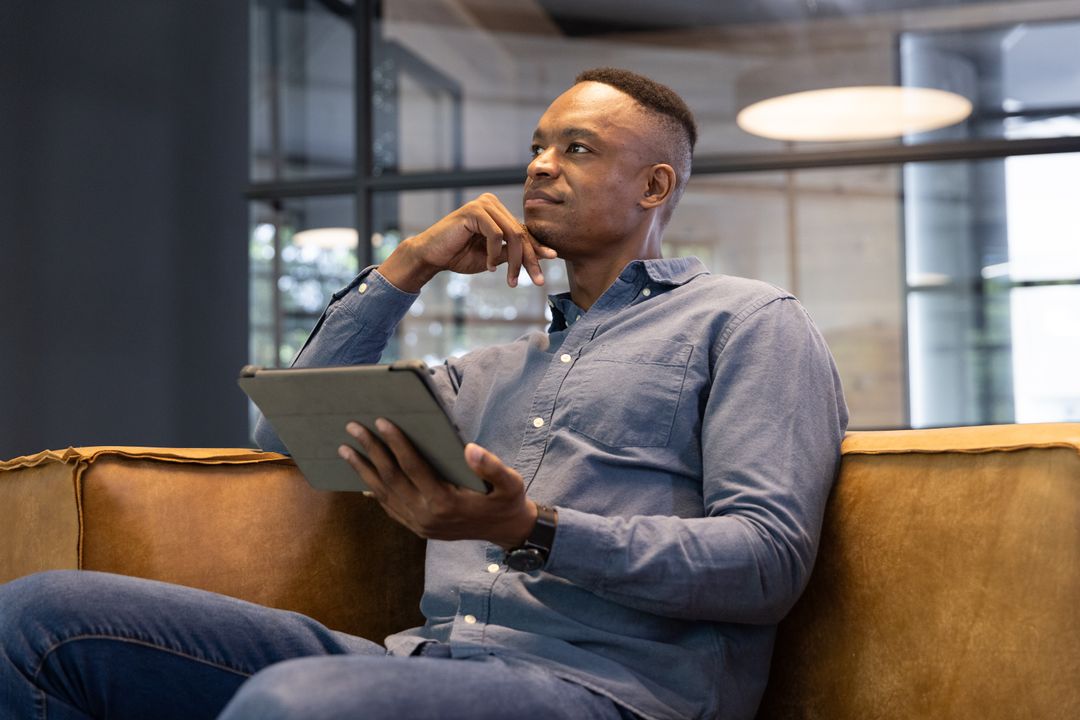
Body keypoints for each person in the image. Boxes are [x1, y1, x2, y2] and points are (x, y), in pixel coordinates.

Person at [0, 68, 847, 720]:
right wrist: (407, 267)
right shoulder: (487, 370)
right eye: (537, 147)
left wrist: (532, 530)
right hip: (423, 662)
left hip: (608, 690)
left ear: (655, 187)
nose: (540, 168)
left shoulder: (748, 321)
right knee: (41, 618)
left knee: (299, 704)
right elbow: (285, 435)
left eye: (578, 150)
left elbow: (765, 563)